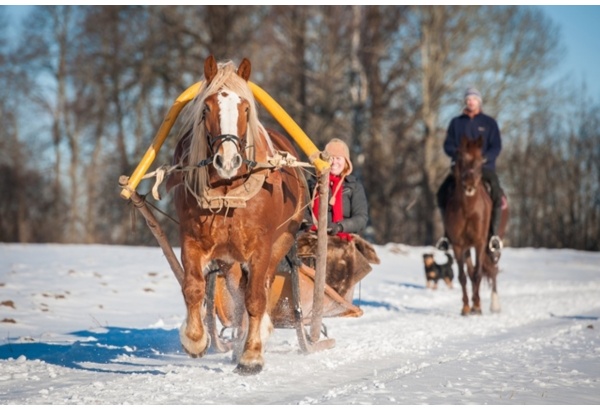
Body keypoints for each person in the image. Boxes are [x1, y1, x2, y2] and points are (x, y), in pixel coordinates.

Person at [436, 87, 504, 255]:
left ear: (479, 101)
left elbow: (496, 146)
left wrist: (485, 158)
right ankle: (446, 236)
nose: (470, 101)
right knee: (441, 193)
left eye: (473, 98)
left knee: (497, 194)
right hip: (461, 170)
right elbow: (447, 145)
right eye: (468, 99)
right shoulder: (456, 123)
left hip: (484, 169)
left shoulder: (489, 123)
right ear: (465, 102)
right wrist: (458, 155)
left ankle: (493, 235)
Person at [305, 138, 369, 239]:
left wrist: (340, 227)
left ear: (346, 162)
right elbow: (302, 211)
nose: (334, 162)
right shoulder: (312, 184)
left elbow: (361, 218)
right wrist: (308, 222)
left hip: (344, 239)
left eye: (338, 158)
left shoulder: (354, 186)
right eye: (331, 158)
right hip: (311, 237)